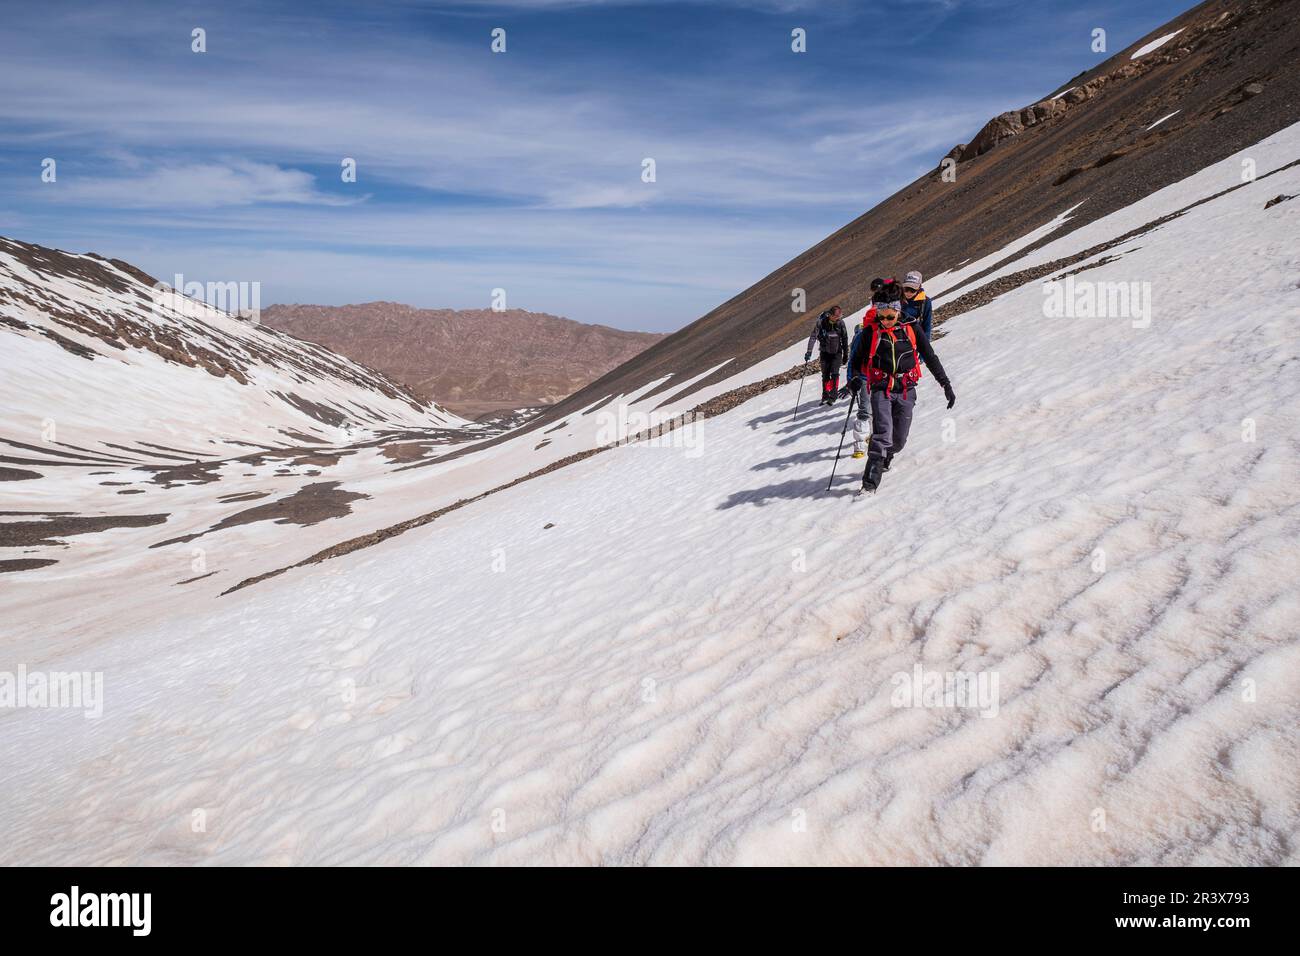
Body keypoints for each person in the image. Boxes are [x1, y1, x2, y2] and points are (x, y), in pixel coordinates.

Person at [846, 296, 956, 491]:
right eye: (882, 316)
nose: (886, 320)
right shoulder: (870, 333)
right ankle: (869, 485)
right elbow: (855, 361)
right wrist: (854, 379)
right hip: (881, 389)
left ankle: (887, 456)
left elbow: (930, 356)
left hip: (906, 389)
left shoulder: (912, 328)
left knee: (898, 440)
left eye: (890, 316)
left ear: (898, 312)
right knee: (882, 436)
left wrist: (945, 384)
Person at [804, 305, 848, 405]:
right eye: (836, 316)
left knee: (835, 373)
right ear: (830, 315)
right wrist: (809, 351)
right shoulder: (821, 323)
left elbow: (845, 339)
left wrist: (845, 354)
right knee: (825, 374)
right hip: (824, 352)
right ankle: (825, 395)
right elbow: (813, 337)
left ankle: (833, 395)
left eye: (839, 316)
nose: (838, 318)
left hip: (837, 352)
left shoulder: (841, 323)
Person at [899, 270, 933, 341]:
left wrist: (925, 345)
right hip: (898, 338)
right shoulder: (897, 299)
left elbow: (927, 325)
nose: (908, 293)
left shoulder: (925, 302)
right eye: (906, 289)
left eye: (912, 290)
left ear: (919, 288)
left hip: (916, 338)